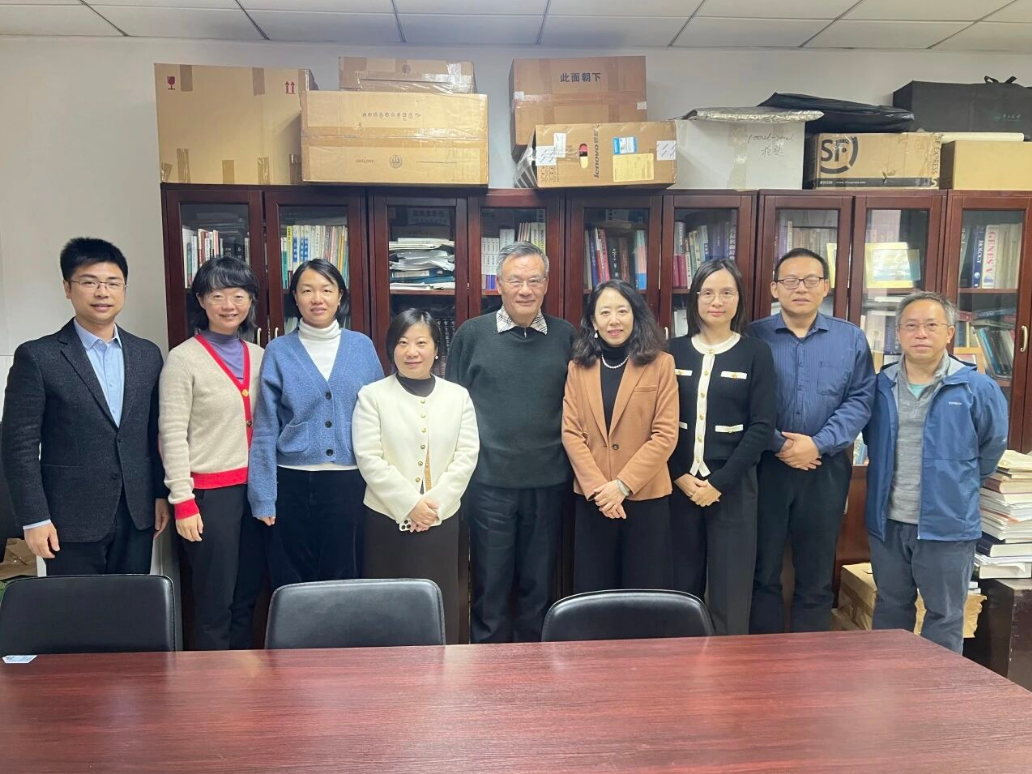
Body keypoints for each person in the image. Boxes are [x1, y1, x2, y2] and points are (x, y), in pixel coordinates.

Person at [1, 237, 169, 574]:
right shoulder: (38, 356)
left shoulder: (147, 354)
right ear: (67, 287)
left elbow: (154, 433)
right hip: (68, 520)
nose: (102, 292)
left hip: (136, 514)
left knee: (133, 602)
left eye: (112, 283)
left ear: (124, 289)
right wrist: (34, 518)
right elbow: (18, 445)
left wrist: (159, 494)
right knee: (76, 606)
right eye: (89, 282)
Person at [446, 241, 576, 643]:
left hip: (548, 482)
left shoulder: (566, 336)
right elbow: (452, 405)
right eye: (515, 280)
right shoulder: (472, 335)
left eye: (534, 280)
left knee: (538, 588)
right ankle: (488, 667)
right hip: (489, 484)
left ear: (547, 284)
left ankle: (533, 668)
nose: (525, 289)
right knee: (490, 586)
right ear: (498, 284)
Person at [864, 292, 1007, 653]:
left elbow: (992, 447)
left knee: (944, 615)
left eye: (931, 325)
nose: (921, 333)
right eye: (911, 326)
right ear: (898, 333)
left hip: (948, 525)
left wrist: (957, 486)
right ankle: (888, 681)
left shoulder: (977, 388)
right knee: (890, 607)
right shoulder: (879, 386)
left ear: (949, 332)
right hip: (888, 521)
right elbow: (869, 438)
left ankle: (937, 688)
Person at [747, 247, 875, 634]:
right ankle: (763, 658)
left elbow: (861, 399)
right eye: (790, 280)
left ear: (826, 286)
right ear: (774, 288)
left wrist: (817, 444)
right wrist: (780, 445)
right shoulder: (753, 336)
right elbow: (740, 400)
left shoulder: (850, 338)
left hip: (826, 468)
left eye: (811, 280)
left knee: (817, 576)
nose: (800, 288)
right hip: (764, 466)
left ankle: (810, 662)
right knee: (762, 572)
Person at [248, 259, 383, 589]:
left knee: (343, 580)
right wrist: (263, 496)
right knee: (292, 582)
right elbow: (265, 427)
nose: (317, 299)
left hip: (349, 481)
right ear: (295, 297)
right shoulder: (278, 350)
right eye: (307, 290)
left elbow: (381, 415)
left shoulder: (362, 347)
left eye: (326, 289)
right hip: (290, 482)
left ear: (340, 296)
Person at [354, 309, 479, 643]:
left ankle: (441, 673)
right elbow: (369, 458)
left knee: (439, 605)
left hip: (442, 519)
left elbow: (466, 456)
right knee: (387, 610)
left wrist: (433, 506)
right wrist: (410, 505)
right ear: (391, 348)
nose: (412, 351)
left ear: (436, 348)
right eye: (402, 342)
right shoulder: (372, 396)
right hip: (385, 519)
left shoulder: (458, 397)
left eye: (421, 343)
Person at [159, 257, 265, 650]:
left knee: (247, 596)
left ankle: (243, 680)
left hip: (256, 494)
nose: (228, 305)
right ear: (201, 301)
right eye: (217, 295)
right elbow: (171, 433)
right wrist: (182, 501)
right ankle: (212, 683)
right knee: (214, 602)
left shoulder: (260, 355)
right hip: (210, 496)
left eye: (238, 295)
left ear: (250, 300)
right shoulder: (183, 358)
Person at [668, 260, 776, 635]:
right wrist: (678, 475)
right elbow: (656, 422)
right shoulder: (671, 351)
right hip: (678, 486)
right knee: (679, 589)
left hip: (733, 487)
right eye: (708, 292)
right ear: (694, 298)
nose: (717, 301)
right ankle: (680, 664)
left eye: (727, 292)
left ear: (739, 298)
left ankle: (727, 667)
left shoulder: (756, 353)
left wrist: (719, 483)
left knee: (731, 592)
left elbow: (761, 426)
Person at [562, 280, 677, 592]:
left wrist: (622, 485)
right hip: (595, 498)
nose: (614, 320)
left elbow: (665, 434)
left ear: (635, 315)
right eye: (605, 312)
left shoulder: (661, 364)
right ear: (593, 321)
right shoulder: (578, 367)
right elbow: (571, 432)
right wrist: (600, 489)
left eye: (622, 311)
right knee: (594, 591)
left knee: (645, 591)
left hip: (645, 496)